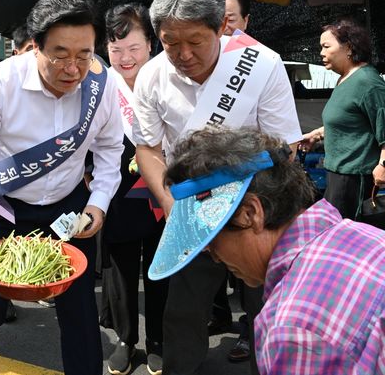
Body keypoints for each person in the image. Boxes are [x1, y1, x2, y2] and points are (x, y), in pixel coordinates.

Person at [0, 0, 124, 375]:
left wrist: (99, 204)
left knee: (80, 315)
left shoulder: (102, 84)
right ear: (33, 47)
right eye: (60, 54)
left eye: (84, 55)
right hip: (4, 210)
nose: (73, 68)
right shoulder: (0, 82)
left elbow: (111, 151)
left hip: (68, 209)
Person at [132, 0, 302, 375]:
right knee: (183, 311)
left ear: (221, 28)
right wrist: (171, 203)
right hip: (192, 209)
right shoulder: (152, 76)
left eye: (195, 41)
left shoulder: (261, 64)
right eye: (171, 43)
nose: (183, 54)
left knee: (268, 309)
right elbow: (148, 148)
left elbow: (285, 148)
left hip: (258, 211)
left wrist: (242, 206)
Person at [148, 127, 385, 375]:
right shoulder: (363, 235)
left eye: (210, 241)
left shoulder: (293, 330)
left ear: (251, 213)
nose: (214, 257)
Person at [98, 3, 168, 375]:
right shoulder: (98, 86)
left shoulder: (168, 77)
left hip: (163, 191)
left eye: (133, 48)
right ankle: (126, 339)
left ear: (151, 45)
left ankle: (157, 339)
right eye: (115, 49)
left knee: (160, 267)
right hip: (118, 192)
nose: (125, 58)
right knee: (122, 270)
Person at [212, 0, 260, 368]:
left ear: (245, 22)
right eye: (217, 21)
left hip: (248, 190)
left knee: (251, 278)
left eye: (230, 20)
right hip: (205, 192)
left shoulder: (259, 66)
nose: (224, 28)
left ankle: (252, 333)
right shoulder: (200, 64)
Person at [301, 19, 385, 219]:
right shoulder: (345, 78)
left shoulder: (368, 82)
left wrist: (383, 166)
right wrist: (318, 134)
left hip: (354, 178)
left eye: (326, 46)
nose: (321, 52)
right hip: (337, 173)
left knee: (346, 233)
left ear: (348, 48)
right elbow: (350, 120)